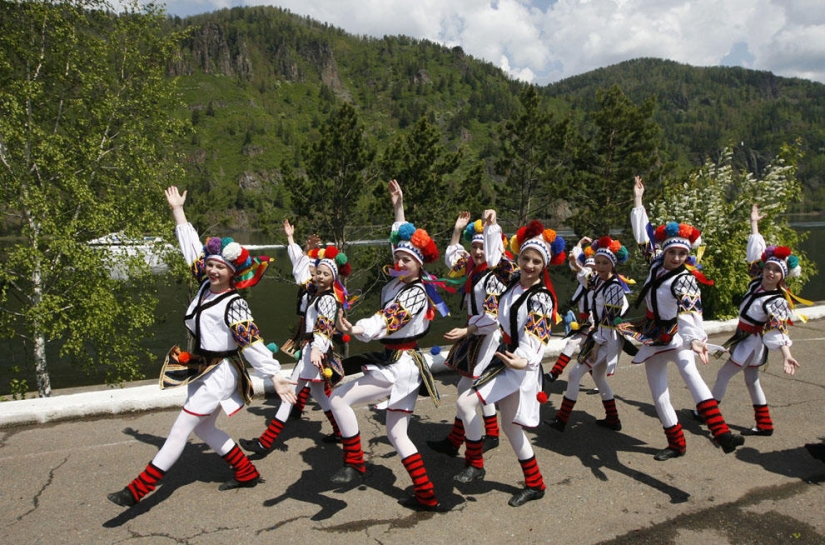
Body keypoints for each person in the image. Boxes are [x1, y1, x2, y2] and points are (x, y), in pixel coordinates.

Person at [107, 186, 297, 507]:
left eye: (220, 267)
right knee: (205, 430)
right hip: (202, 368)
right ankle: (247, 473)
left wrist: (273, 374)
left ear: (232, 273)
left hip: (221, 372)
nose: (212, 270)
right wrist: (178, 211)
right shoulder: (207, 286)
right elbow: (191, 250)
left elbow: (250, 340)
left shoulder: (233, 303)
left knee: (181, 428)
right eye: (210, 265)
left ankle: (137, 490)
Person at [331, 179, 448, 512]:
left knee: (339, 399)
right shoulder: (400, 280)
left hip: (400, 366)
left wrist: (358, 328)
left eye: (407, 260)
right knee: (397, 434)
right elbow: (401, 241)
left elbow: (389, 318)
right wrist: (398, 207)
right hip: (402, 365)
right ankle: (427, 495)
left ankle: (354, 463)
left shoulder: (415, 291)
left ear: (420, 265)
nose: (399, 261)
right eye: (397, 258)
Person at [623, 176, 744, 461]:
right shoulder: (655, 262)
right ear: (665, 251)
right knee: (659, 393)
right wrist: (639, 200)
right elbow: (644, 236)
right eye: (673, 252)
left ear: (687, 255)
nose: (676, 257)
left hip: (677, 334)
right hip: (652, 334)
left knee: (692, 376)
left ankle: (722, 434)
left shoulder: (686, 280)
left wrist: (696, 340)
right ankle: (676, 443)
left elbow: (691, 311)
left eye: (682, 253)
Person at [452, 214, 566, 507]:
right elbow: (495, 257)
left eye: (536, 262)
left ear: (545, 265)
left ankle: (475, 464)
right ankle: (536, 484)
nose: (528, 265)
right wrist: (491, 227)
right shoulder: (513, 280)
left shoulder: (541, 299)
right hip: (504, 358)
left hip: (518, 364)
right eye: (525, 258)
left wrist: (523, 360)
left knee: (466, 402)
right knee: (511, 427)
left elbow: (537, 336)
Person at [240, 226, 353, 455]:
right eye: (317, 272)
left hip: (314, 352)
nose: (318, 276)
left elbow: (324, 324)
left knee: (289, 394)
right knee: (320, 395)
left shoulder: (328, 298)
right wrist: (293, 241)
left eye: (324, 274)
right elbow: (300, 270)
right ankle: (341, 431)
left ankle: (265, 443)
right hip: (311, 349)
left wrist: (316, 349)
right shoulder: (316, 291)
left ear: (334, 277)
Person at [709, 204, 802, 436]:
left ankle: (707, 413)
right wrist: (754, 223)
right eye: (768, 268)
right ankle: (765, 425)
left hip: (751, 342)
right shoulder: (756, 283)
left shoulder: (777, 300)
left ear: (782, 276)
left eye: (775, 271)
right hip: (743, 337)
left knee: (724, 374)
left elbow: (778, 329)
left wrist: (787, 355)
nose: (770, 272)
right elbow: (753, 255)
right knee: (752, 380)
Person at [426, 211, 514, 457]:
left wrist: (467, 329)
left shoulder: (495, 275)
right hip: (477, 333)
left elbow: (494, 315)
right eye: (474, 247)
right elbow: (452, 257)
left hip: (488, 335)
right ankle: (485, 435)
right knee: (472, 385)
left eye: (482, 247)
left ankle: (460, 443)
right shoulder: (474, 268)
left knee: (468, 387)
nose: (477, 252)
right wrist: (457, 230)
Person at [548, 236, 630, 432]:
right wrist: (575, 263)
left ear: (613, 264)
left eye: (605, 263)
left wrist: (594, 345)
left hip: (606, 339)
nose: (600, 267)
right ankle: (613, 418)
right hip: (601, 336)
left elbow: (609, 322)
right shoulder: (600, 281)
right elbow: (585, 275)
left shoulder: (614, 289)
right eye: (598, 262)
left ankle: (562, 419)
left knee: (575, 374)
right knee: (599, 378)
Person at [544, 237, 595, 384]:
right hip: (583, 322)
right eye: (588, 267)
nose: (589, 272)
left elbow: (582, 270)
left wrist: (578, 265)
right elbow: (577, 264)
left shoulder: (597, 285)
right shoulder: (582, 284)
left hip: (594, 323)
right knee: (585, 351)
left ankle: (555, 372)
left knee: (576, 346)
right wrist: (580, 243)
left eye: (593, 270)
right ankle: (555, 373)